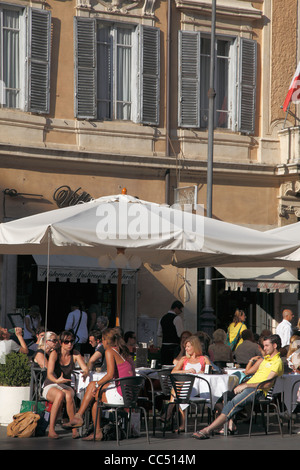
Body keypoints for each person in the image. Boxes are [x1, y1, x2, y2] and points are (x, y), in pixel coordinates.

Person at [192, 334, 283, 440]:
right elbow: (248, 372)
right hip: (249, 387)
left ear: (275, 345)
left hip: (258, 391)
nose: (264, 348)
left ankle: (207, 430)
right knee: (221, 397)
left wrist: (245, 385)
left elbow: (267, 384)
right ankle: (231, 423)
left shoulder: (277, 362)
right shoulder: (265, 359)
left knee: (233, 404)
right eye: (264, 345)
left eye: (267, 345)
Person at [65, 328, 135, 441]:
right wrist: (96, 385)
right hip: (130, 394)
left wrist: (98, 385)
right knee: (94, 391)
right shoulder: (125, 352)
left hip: (121, 395)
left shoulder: (110, 351)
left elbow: (110, 374)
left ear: (106, 341)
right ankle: (83, 420)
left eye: (102, 340)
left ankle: (80, 417)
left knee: (94, 390)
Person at [43, 330, 89, 439]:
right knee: (60, 395)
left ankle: (74, 429)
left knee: (68, 395)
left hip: (65, 385)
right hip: (51, 384)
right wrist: (57, 380)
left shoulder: (75, 353)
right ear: (60, 342)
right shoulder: (55, 353)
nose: (70, 344)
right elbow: (49, 374)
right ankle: (51, 430)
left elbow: (85, 367)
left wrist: (85, 372)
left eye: (72, 342)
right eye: (66, 342)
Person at [163, 335, 211, 432]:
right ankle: (180, 422)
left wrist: (203, 372)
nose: (186, 348)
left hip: (200, 386)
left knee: (178, 388)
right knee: (179, 388)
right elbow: (173, 372)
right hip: (187, 386)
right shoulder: (184, 359)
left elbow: (211, 371)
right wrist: (186, 371)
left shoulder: (204, 359)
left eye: (188, 346)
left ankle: (168, 413)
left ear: (195, 346)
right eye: (186, 346)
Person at [157, 300, 184, 365]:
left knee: (164, 366)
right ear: (176, 308)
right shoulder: (177, 318)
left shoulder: (162, 318)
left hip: (164, 347)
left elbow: (159, 333)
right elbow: (180, 334)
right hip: (174, 348)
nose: (180, 312)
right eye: (180, 310)